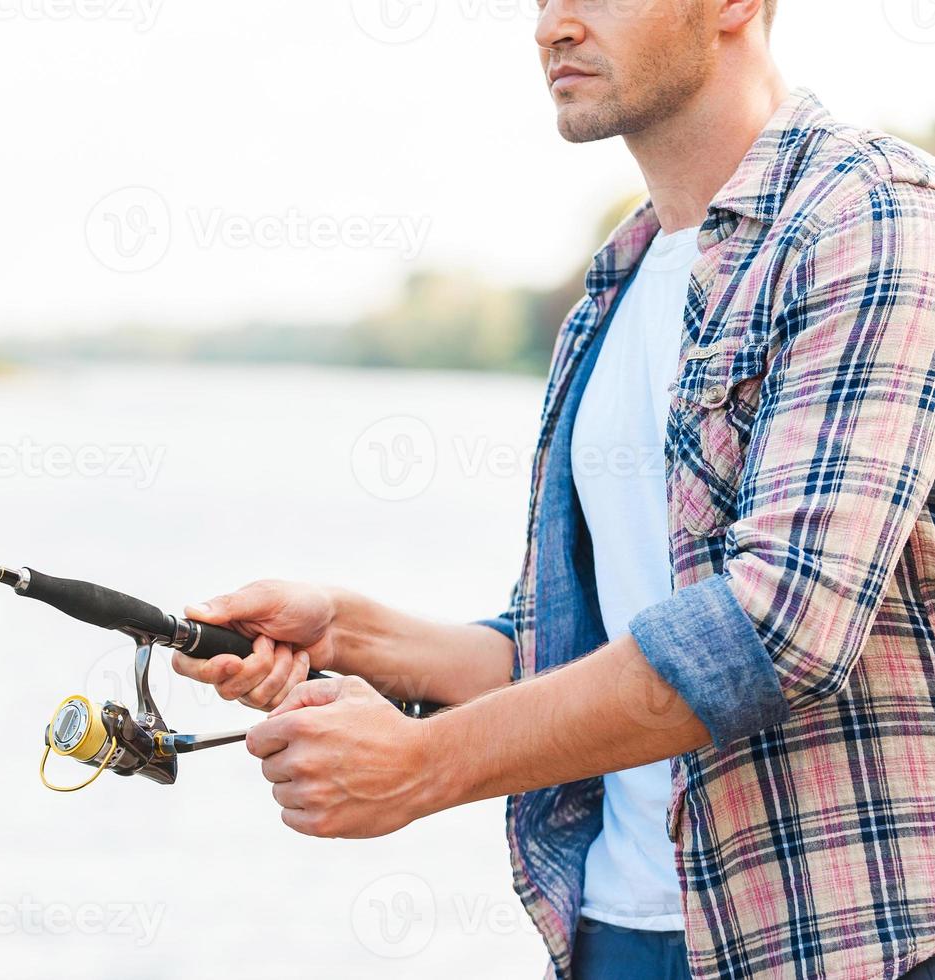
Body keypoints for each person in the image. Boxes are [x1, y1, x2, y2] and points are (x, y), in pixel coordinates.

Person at [172, 1, 935, 978]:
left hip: (833, 944)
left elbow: (777, 627)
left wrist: (423, 764)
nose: (552, 25)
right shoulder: (615, 284)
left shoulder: (869, 213)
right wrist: (350, 634)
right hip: (609, 933)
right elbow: (565, 649)